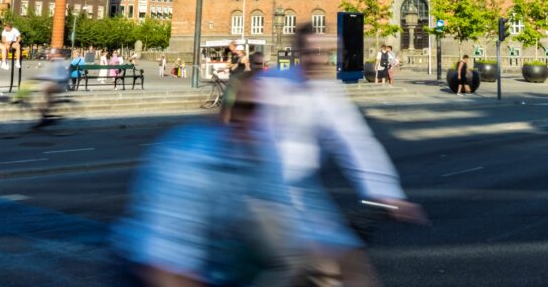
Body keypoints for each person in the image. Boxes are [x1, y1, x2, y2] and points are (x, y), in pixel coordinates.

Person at [255, 24, 425, 283]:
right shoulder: (271, 84)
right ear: (299, 53)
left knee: (354, 264)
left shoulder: (325, 91)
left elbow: (354, 141)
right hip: (261, 191)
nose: (317, 58)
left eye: (322, 52)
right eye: (311, 52)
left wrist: (387, 195)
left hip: (303, 192)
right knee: (313, 264)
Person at [112, 75, 302, 286]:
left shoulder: (265, 153)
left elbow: (294, 238)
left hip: (215, 258)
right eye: (245, 109)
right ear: (225, 113)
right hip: (145, 269)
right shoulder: (187, 156)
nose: (256, 121)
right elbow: (163, 268)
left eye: (266, 112)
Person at [34, 48, 71, 127]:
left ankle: (45, 118)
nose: (50, 55)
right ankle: (45, 116)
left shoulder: (60, 62)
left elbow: (59, 76)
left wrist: (40, 78)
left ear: (57, 54)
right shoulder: (55, 62)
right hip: (56, 83)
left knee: (46, 92)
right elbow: (47, 74)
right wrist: (37, 78)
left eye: (52, 54)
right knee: (43, 99)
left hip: (61, 84)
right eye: (50, 54)